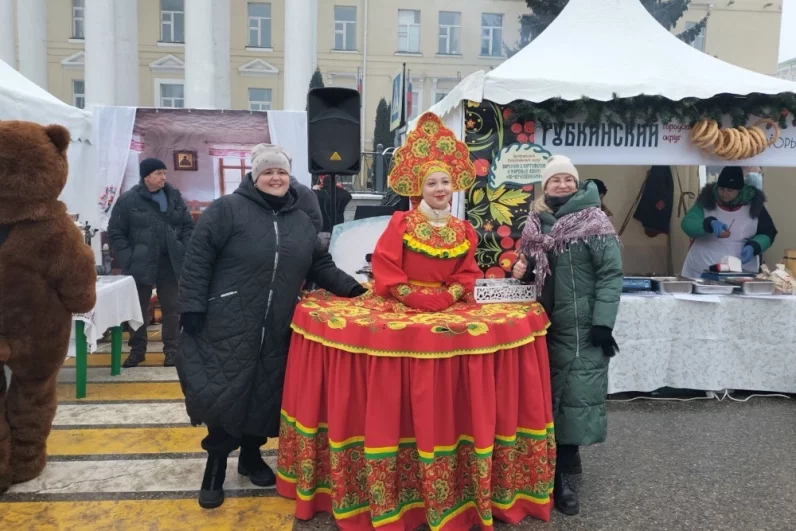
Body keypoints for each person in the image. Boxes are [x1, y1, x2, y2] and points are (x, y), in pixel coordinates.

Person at [177, 143, 366, 510]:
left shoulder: (300, 221)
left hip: (279, 323)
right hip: (227, 321)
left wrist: (355, 289)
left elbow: (320, 266)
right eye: (267, 172)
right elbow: (197, 259)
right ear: (254, 176)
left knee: (265, 394)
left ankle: (251, 457)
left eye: (280, 171)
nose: (275, 177)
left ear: (289, 176)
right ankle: (214, 468)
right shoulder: (227, 210)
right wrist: (192, 307)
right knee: (224, 394)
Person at [512, 155, 623, 516]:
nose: (562, 185)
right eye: (555, 180)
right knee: (545, 402)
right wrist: (521, 273)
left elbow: (610, 275)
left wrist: (603, 322)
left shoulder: (595, 221)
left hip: (581, 330)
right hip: (543, 327)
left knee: (572, 403)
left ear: (577, 184)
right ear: (545, 186)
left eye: (568, 180)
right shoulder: (535, 224)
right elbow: (532, 275)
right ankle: (555, 471)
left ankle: (562, 481)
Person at [370, 112, 481, 312]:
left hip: (446, 306)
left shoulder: (463, 230)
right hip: (404, 305)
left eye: (445, 182)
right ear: (420, 189)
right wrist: (411, 297)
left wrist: (449, 296)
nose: (440, 189)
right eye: (431, 183)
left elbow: (467, 272)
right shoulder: (402, 223)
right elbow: (385, 266)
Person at [108, 158, 194, 368]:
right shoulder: (128, 200)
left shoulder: (174, 197)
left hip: (170, 261)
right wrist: (129, 257)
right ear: (146, 176)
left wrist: (183, 247)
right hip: (140, 262)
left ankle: (172, 350)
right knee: (137, 308)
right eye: (158, 173)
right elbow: (116, 232)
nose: (163, 177)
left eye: (164, 173)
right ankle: (137, 351)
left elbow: (187, 226)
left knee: (173, 307)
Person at [681, 166, 777, 279]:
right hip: (701, 267)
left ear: (740, 190)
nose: (725, 194)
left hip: (741, 271)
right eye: (721, 189)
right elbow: (688, 223)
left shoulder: (755, 206)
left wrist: (755, 246)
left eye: (730, 191)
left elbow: (768, 232)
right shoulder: (707, 200)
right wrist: (708, 224)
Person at [313, 174, 352, 250]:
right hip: (338, 230)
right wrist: (340, 188)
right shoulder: (343, 194)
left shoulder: (317, 194)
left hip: (322, 230)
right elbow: (348, 196)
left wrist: (315, 189)